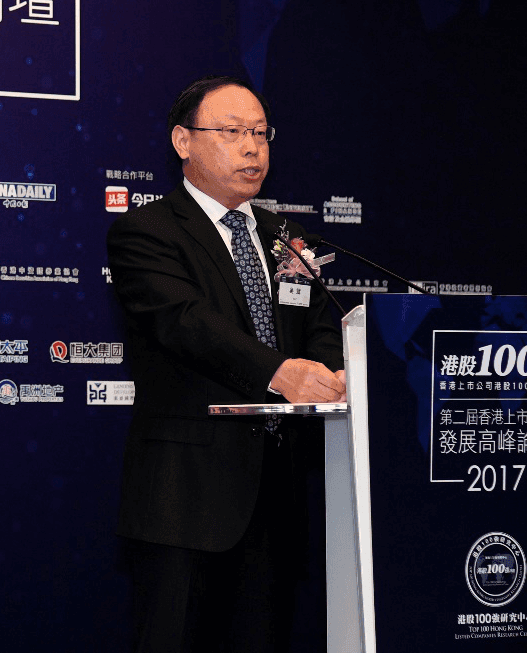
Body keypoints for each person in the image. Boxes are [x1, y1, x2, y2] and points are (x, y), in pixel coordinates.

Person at [107, 75, 346, 653]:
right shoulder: (146, 232)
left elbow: (319, 325)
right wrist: (280, 373)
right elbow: (187, 323)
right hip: (184, 500)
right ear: (183, 142)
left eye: (261, 134)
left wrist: (332, 373)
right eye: (233, 132)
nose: (252, 148)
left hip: (277, 495)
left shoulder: (287, 237)